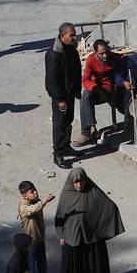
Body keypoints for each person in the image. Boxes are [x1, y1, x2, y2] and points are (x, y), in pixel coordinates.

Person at [54, 168, 125, 273]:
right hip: (72, 242)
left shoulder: (94, 192)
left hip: (92, 242)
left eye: (81, 181)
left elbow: (110, 208)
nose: (79, 184)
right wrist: (61, 235)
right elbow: (59, 217)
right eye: (76, 182)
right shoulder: (66, 195)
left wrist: (100, 229)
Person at [45, 23, 82, 170]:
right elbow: (52, 80)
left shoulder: (71, 49)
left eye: (74, 34)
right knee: (59, 125)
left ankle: (66, 146)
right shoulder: (54, 54)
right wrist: (59, 99)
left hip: (70, 92)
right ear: (62, 36)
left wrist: (77, 89)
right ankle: (58, 153)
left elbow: (76, 69)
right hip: (61, 97)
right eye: (71, 35)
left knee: (68, 121)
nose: (74, 37)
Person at [74, 40, 121, 147]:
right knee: (85, 96)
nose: (105, 55)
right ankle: (89, 129)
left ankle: (88, 131)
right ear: (96, 53)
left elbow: (126, 60)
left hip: (111, 90)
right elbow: (85, 79)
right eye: (101, 53)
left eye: (106, 52)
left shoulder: (113, 57)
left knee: (85, 97)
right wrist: (92, 86)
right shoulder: (91, 59)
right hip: (98, 90)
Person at [17, 181, 55, 273]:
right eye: (31, 192)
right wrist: (43, 202)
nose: (35, 193)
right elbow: (32, 210)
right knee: (30, 272)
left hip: (40, 241)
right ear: (24, 195)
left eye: (35, 189)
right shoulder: (23, 206)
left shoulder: (36, 201)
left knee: (43, 270)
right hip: (30, 245)